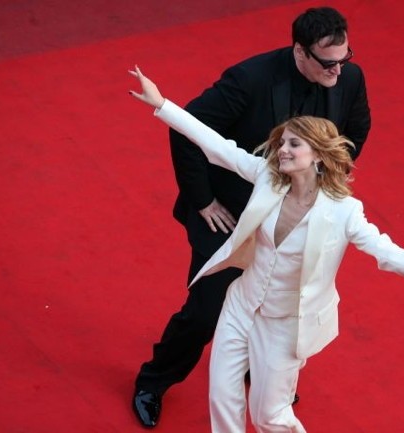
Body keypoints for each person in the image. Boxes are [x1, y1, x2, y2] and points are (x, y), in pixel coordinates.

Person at [128, 66, 404, 432]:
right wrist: (162, 105)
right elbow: (218, 146)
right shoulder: (266, 177)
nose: (282, 150)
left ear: (318, 154)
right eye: (282, 142)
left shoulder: (344, 211)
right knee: (223, 399)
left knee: (270, 417)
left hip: (287, 325)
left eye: (293, 144)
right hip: (241, 306)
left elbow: (391, 254)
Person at [132, 6, 372, 428]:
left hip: (293, 215)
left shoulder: (348, 77)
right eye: (329, 62)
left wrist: (324, 180)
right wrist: (203, 200)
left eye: (344, 58)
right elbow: (189, 128)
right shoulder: (249, 79)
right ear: (301, 52)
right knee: (207, 310)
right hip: (230, 213)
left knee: (279, 301)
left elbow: (357, 127)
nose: (339, 70)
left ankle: (260, 367)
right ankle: (154, 380)